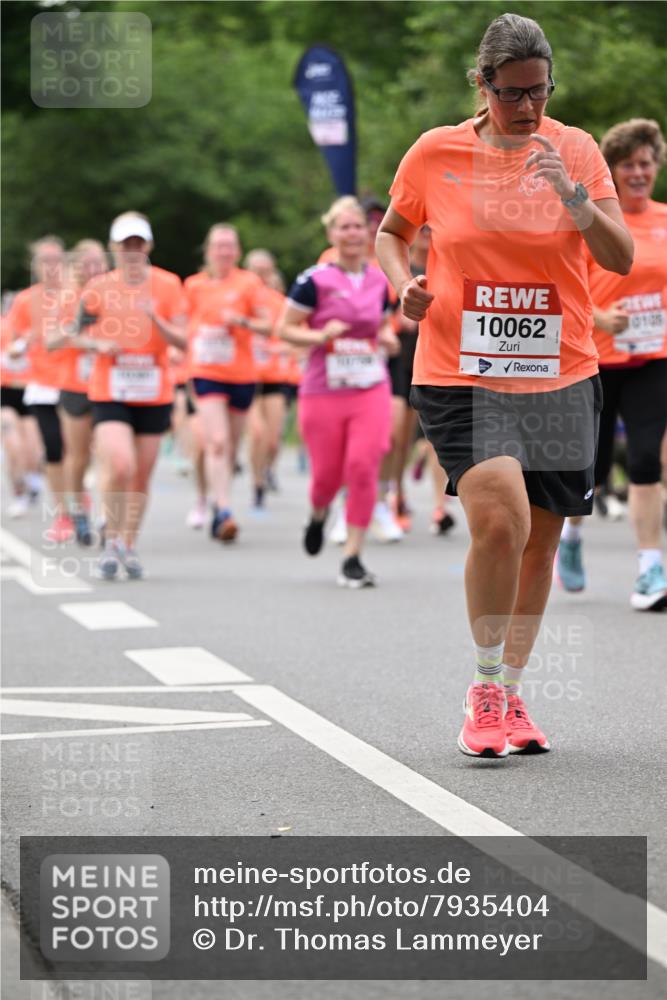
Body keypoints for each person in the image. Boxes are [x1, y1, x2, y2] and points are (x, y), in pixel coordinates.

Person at [376, 13, 632, 755]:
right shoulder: (435, 153)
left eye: (539, 92)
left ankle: (510, 694)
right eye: (513, 93)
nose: (527, 108)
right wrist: (403, 286)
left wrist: (574, 198)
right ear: (482, 84)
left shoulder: (576, 149)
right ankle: (483, 689)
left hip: (561, 371)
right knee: (499, 520)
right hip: (461, 369)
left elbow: (617, 255)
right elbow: (395, 232)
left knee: (540, 542)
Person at [557, 118, 667, 609]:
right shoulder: (596, 220)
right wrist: (600, 317)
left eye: (646, 163)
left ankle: (649, 567)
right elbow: (562, 287)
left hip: (653, 358)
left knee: (646, 460)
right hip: (596, 358)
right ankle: (572, 538)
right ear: (614, 170)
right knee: (590, 469)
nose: (639, 173)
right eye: (629, 165)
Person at [279, 196, 398, 588]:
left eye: (358, 226)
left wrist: (387, 338)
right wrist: (318, 334)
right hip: (323, 389)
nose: (351, 233)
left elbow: (381, 326)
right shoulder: (313, 280)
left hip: (370, 386)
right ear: (331, 234)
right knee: (327, 477)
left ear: (368, 233)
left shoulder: (381, 280)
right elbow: (285, 329)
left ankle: (353, 555)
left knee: (364, 466)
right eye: (343, 227)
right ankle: (317, 515)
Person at [76, 211, 188, 579]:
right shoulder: (97, 288)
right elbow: (73, 334)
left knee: (140, 474)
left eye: (138, 243)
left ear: (149, 246)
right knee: (120, 463)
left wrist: (157, 320)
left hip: (153, 391)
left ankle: (128, 543)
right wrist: (97, 343)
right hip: (111, 388)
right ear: (114, 248)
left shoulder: (169, 285)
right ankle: (110, 538)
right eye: (126, 244)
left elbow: (185, 340)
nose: (132, 251)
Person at [184, 225, 269, 542]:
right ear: (208, 250)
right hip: (205, 371)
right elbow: (184, 327)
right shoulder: (193, 286)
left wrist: (242, 322)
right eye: (219, 246)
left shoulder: (249, 283)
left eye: (230, 246)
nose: (224, 252)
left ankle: (214, 497)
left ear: (238, 251)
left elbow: (267, 325)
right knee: (216, 441)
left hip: (242, 375)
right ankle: (223, 509)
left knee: (230, 446)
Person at [5, 237, 74, 541]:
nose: (51, 267)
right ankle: (62, 515)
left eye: (57, 260)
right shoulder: (25, 301)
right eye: (45, 262)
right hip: (42, 385)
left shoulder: (78, 296)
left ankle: (79, 496)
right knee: (53, 448)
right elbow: (12, 350)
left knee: (77, 451)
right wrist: (27, 340)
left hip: (75, 383)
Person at [47, 239, 109, 545]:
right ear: (76, 267)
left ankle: (106, 515)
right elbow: (50, 340)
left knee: (109, 452)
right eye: (88, 263)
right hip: (75, 385)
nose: (94, 268)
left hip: (110, 384)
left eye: (99, 262)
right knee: (78, 455)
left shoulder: (115, 294)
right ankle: (76, 513)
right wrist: (81, 332)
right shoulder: (68, 297)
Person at [243, 249, 291, 510]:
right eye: (255, 270)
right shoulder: (239, 299)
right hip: (248, 375)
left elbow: (292, 335)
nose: (260, 276)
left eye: (265, 270)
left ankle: (268, 467)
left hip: (274, 375)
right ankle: (257, 481)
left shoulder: (279, 302)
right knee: (257, 433)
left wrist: (282, 348)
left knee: (273, 437)